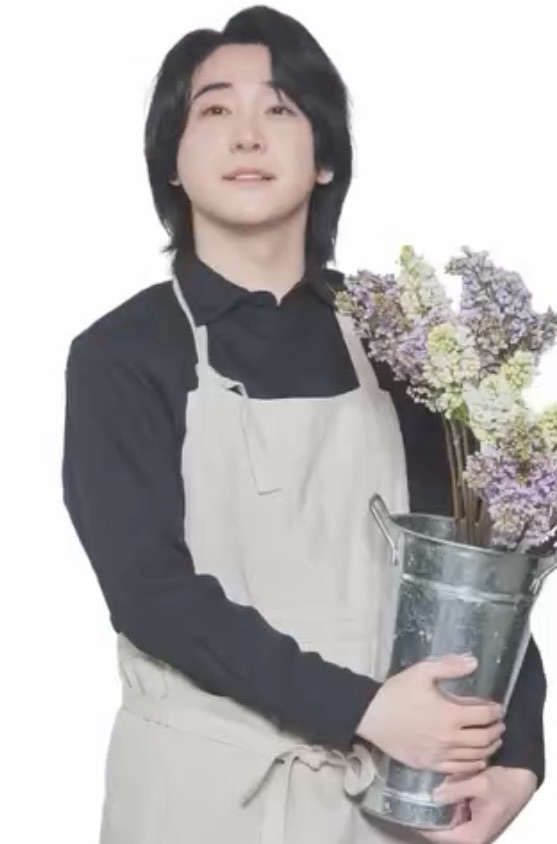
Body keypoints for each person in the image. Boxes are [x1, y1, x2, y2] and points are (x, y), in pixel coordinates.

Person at [61, 6, 546, 843]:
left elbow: (481, 572)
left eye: (280, 108)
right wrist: (363, 710)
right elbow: (150, 593)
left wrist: (518, 758)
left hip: (385, 805)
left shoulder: (399, 347)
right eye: (215, 108)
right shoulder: (122, 354)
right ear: (171, 159)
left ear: (324, 158)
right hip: (194, 798)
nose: (247, 134)